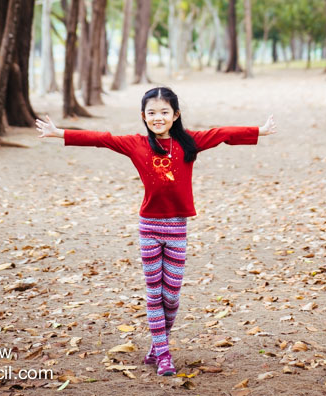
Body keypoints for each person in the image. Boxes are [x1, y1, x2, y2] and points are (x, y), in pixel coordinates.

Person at [36, 86, 276, 377]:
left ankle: (156, 343)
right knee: (154, 293)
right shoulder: (135, 144)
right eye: (152, 113)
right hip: (149, 227)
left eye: (164, 112)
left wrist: (259, 131)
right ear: (143, 116)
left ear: (175, 115)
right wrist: (58, 132)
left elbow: (223, 133)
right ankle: (163, 353)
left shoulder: (190, 143)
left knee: (171, 295)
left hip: (177, 227)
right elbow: (100, 138)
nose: (158, 117)